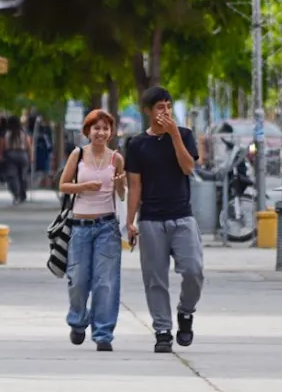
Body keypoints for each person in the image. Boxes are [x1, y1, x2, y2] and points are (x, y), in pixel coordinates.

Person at [125, 86, 204, 354]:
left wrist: (173, 136)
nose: (166, 112)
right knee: (155, 278)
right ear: (148, 111)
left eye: (169, 106)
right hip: (151, 220)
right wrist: (130, 221)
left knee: (193, 270)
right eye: (160, 107)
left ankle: (186, 312)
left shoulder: (184, 135)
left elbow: (188, 167)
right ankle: (162, 330)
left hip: (182, 215)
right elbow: (134, 185)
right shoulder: (137, 144)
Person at [59, 110, 126, 352]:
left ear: (111, 132)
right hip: (79, 227)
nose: (101, 132)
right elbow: (63, 185)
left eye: (105, 128)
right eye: (96, 128)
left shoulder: (116, 158)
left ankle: (103, 333)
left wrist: (120, 183)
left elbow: (121, 194)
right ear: (87, 131)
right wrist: (84, 186)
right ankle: (78, 321)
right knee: (77, 280)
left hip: (107, 227)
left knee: (106, 282)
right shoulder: (77, 155)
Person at [0, 115, 32, 204]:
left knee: (12, 176)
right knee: (23, 175)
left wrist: (0, 156)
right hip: (22, 154)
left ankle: (16, 193)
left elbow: (1, 146)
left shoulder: (6, 134)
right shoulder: (23, 133)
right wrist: (31, 157)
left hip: (10, 155)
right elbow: (29, 146)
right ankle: (23, 192)